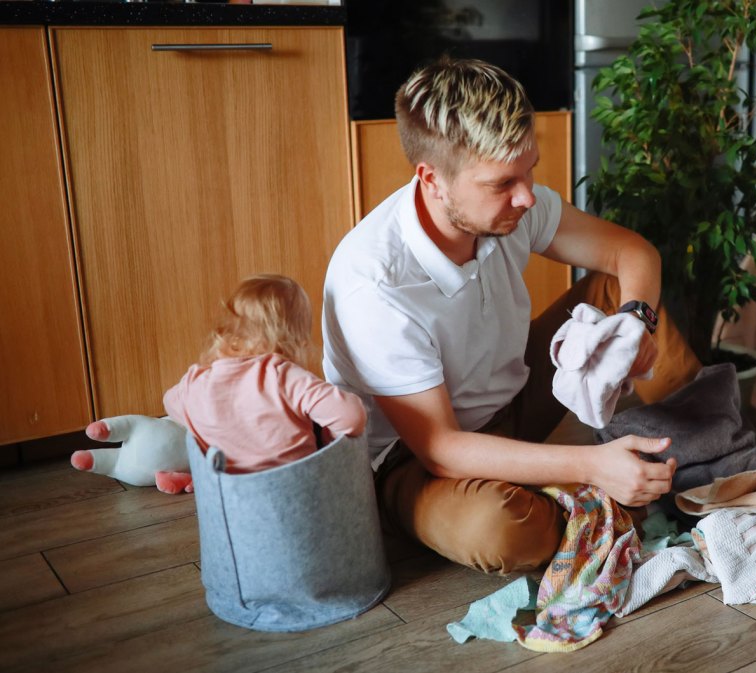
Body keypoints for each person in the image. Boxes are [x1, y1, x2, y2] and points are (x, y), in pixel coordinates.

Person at [322, 58, 702, 574]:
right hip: (414, 459)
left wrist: (636, 323)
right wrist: (591, 465)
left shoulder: (515, 203)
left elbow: (631, 254)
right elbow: (441, 449)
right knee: (499, 531)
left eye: (530, 170)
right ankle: (604, 493)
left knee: (621, 294)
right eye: (502, 183)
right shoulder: (375, 284)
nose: (526, 196)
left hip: (511, 395)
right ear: (432, 179)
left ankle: (707, 459)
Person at [164, 274, 367, 474]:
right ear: (296, 339)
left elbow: (170, 402)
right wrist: (330, 441)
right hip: (297, 488)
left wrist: (214, 426)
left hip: (225, 493)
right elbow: (351, 415)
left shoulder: (198, 382)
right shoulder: (284, 377)